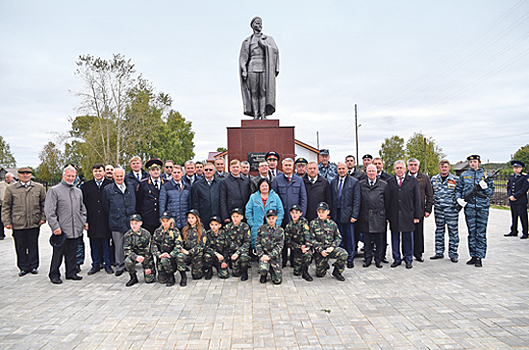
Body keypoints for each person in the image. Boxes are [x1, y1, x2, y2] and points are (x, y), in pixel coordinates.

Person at [45, 165, 87, 284]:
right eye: (68, 176)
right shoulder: (54, 190)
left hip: (75, 229)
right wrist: (55, 227)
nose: (70, 178)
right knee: (58, 254)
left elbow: (82, 209)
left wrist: (81, 222)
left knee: (72, 253)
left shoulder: (78, 191)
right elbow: (50, 211)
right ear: (63, 176)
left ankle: (71, 272)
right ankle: (54, 274)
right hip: (61, 230)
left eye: (73, 176)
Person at [2, 168, 46, 275]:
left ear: (31, 175)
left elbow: (44, 204)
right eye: (23, 174)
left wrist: (43, 218)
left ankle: (33, 266)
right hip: (18, 222)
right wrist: (6, 221)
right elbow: (6, 206)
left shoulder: (38, 187)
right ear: (18, 175)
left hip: (34, 221)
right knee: (20, 246)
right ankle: (23, 267)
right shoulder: (12, 189)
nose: (25, 175)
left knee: (33, 244)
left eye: (28, 173)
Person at [457, 155, 495, 267]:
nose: (473, 163)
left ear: (479, 162)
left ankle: (480, 256)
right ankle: (473, 255)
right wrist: (459, 199)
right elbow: (459, 189)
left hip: (482, 207)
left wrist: (485, 188)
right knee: (471, 232)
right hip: (469, 208)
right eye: (471, 162)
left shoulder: (486, 175)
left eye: (475, 161)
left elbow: (491, 192)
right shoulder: (464, 175)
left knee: (481, 233)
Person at [239, 16, 279, 119]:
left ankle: (263, 114)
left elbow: (275, 51)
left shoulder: (268, 39)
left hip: (264, 67)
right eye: (257, 23)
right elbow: (243, 57)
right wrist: (244, 69)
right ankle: (256, 115)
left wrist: (265, 46)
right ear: (252, 26)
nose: (259, 25)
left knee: (263, 91)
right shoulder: (248, 41)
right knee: (254, 92)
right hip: (252, 66)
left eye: (260, 23)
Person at [272, 157, 307, 266]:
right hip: (281, 216)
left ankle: (293, 261)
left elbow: (303, 198)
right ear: (282, 167)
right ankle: (282, 260)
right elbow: (273, 199)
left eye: (289, 165)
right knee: (281, 238)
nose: (288, 167)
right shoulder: (277, 180)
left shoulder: (299, 180)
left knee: (295, 238)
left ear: (293, 167)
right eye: (286, 165)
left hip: (295, 217)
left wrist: (301, 214)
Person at [102, 167, 136, 277]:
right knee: (118, 245)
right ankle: (120, 265)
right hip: (116, 221)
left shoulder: (130, 187)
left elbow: (134, 202)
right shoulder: (108, 189)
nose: (119, 178)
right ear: (113, 177)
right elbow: (105, 206)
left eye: (121, 176)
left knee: (130, 244)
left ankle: (129, 264)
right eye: (117, 176)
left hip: (129, 221)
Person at [387, 160, 421, 269]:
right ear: (394, 169)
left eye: (401, 168)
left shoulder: (412, 181)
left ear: (405, 169)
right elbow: (388, 200)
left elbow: (417, 199)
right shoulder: (390, 181)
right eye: (397, 168)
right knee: (395, 239)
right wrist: (388, 216)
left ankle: (408, 259)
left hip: (408, 215)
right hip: (394, 215)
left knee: (408, 239)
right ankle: (396, 259)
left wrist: (416, 216)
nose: (399, 170)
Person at [82, 163, 114, 275]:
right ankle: (95, 264)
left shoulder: (110, 184)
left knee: (106, 243)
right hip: (92, 219)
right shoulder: (87, 185)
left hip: (106, 219)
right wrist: (85, 221)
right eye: (96, 171)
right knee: (94, 243)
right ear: (93, 173)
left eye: (100, 171)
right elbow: (84, 204)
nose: (98, 173)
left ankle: (108, 264)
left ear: (104, 172)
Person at [357, 164, 390, 268]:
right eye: (369, 171)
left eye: (373, 171)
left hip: (379, 216)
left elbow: (387, 201)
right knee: (367, 240)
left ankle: (378, 260)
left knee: (379, 240)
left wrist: (386, 216)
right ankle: (367, 259)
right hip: (365, 216)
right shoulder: (361, 184)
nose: (371, 173)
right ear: (366, 172)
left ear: (377, 172)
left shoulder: (384, 185)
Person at [331, 162, 361, 268]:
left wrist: (354, 215)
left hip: (349, 215)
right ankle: (341, 258)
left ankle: (350, 258)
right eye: (339, 169)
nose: (341, 170)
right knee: (340, 237)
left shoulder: (354, 182)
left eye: (343, 168)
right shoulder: (334, 181)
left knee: (350, 237)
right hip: (337, 214)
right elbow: (332, 198)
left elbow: (357, 200)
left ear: (347, 169)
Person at [430, 159, 461, 262]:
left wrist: (458, 205)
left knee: (453, 232)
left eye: (446, 167)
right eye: (442, 167)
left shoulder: (455, 179)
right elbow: (431, 193)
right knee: (439, 231)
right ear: (439, 168)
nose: (444, 168)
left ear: (449, 168)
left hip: (451, 210)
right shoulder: (434, 179)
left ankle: (453, 253)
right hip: (438, 209)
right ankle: (439, 252)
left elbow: (459, 193)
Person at [310, 202, 348, 281]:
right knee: (320, 275)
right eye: (319, 212)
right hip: (320, 251)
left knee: (343, 254)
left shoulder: (332, 224)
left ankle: (337, 271)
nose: (321, 214)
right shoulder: (313, 224)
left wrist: (332, 247)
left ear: (328, 212)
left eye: (323, 212)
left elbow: (338, 238)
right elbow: (312, 239)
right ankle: (325, 264)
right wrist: (321, 250)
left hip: (330, 249)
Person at [407, 158, 433, 262]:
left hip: (420, 210)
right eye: (411, 164)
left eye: (415, 164)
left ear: (418, 166)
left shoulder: (424, 178)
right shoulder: (404, 177)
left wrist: (428, 209)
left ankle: (418, 253)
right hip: (406, 211)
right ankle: (406, 253)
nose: (413, 166)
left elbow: (430, 195)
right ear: (408, 166)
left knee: (418, 233)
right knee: (406, 233)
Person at [246, 178, 284, 249]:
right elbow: (248, 211)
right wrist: (251, 223)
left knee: (272, 246)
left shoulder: (275, 197)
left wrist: (277, 223)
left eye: (266, 186)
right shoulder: (253, 197)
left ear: (269, 186)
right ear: (259, 187)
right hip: (257, 226)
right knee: (257, 246)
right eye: (262, 186)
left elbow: (280, 211)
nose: (264, 188)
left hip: (272, 226)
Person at [151, 211, 183, 286]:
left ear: (171, 221)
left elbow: (179, 245)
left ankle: (171, 276)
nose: (165, 223)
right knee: (162, 280)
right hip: (161, 257)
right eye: (163, 221)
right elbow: (153, 245)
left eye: (167, 221)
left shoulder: (175, 231)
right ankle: (165, 271)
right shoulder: (157, 231)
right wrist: (158, 254)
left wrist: (171, 255)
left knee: (165, 260)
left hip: (171, 258)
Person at [123, 214, 155, 286]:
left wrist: (147, 266)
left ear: (140, 223)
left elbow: (149, 251)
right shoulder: (127, 235)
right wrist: (135, 257)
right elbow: (127, 249)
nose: (134, 226)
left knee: (149, 280)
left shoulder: (146, 234)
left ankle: (150, 271)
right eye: (132, 224)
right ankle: (133, 277)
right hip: (135, 256)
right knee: (127, 261)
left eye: (136, 223)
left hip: (146, 257)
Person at [136, 158, 166, 235]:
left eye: (157, 169)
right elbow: (139, 202)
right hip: (148, 219)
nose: (156, 172)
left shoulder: (166, 183)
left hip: (163, 219)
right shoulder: (143, 184)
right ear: (149, 171)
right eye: (153, 170)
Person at [176, 209, 206, 285]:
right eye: (189, 218)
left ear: (197, 218)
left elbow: (201, 245)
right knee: (179, 256)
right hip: (186, 253)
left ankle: (202, 268)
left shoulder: (202, 230)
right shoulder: (184, 229)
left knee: (197, 276)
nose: (190, 220)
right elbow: (180, 242)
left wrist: (190, 252)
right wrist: (181, 249)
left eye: (193, 218)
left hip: (196, 254)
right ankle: (183, 277)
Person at [284, 205, 313, 281]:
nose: (294, 215)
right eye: (293, 213)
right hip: (296, 249)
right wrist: (299, 246)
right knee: (296, 272)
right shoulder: (289, 226)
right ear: (290, 213)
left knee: (308, 254)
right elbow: (288, 241)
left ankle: (305, 272)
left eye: (296, 213)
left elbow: (307, 235)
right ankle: (300, 267)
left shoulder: (304, 223)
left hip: (305, 248)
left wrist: (306, 246)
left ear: (300, 214)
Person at [256, 209, 284, 284]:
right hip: (264, 256)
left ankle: (272, 271)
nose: (271, 220)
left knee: (277, 281)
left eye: (273, 218)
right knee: (263, 269)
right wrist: (261, 255)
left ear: (276, 218)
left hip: (275, 257)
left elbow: (280, 246)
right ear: (266, 218)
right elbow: (258, 244)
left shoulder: (280, 230)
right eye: (269, 218)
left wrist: (270, 256)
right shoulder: (261, 229)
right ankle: (263, 274)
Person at [159, 165, 191, 230]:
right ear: (172, 174)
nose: (177, 174)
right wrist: (163, 220)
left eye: (178, 172)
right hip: (172, 221)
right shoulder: (166, 187)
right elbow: (162, 205)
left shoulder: (187, 187)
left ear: (182, 174)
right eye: (175, 172)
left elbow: (190, 204)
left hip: (185, 221)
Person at [191, 162, 221, 229]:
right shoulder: (197, 185)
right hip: (203, 217)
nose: (208, 171)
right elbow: (195, 203)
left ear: (214, 171)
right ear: (203, 171)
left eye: (210, 170)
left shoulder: (220, 183)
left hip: (217, 216)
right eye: (206, 170)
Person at [225, 208, 251, 280]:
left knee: (244, 257)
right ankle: (234, 264)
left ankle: (244, 272)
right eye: (233, 216)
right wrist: (236, 252)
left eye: (237, 216)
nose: (235, 218)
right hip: (232, 251)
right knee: (235, 274)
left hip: (243, 251)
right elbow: (228, 242)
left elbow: (247, 242)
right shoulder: (227, 227)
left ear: (241, 217)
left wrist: (238, 252)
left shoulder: (245, 227)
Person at [505, 160, 529, 238]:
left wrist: (515, 196)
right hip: (512, 200)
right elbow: (508, 187)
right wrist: (510, 195)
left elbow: (524, 189)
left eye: (517, 168)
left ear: (521, 168)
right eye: (514, 168)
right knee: (514, 216)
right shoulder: (512, 176)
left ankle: (525, 232)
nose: (516, 169)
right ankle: (514, 231)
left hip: (521, 200)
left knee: (523, 217)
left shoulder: (525, 177)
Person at [0, 172, 16, 240]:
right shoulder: (1, 184)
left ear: (12, 178)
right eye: (6, 177)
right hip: (2, 204)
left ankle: (15, 232)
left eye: (8, 177)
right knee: (1, 219)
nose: (7, 179)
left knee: (15, 219)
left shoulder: (16, 185)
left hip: (13, 204)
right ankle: (1, 234)